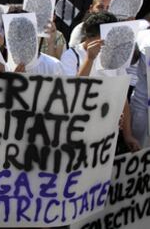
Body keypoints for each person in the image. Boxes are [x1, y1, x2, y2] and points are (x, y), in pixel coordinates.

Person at [60, 11, 141, 153]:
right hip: (76, 132)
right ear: (91, 37)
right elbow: (71, 92)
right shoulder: (71, 56)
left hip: (105, 137)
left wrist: (128, 135)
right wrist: (89, 59)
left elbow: (122, 98)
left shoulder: (113, 57)